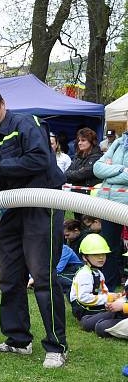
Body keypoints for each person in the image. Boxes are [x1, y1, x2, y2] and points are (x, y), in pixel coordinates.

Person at [0, 85, 68, 369]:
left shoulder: (27, 123)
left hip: (42, 204)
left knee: (42, 276)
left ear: (2, 104)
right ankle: (17, 340)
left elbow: (39, 159)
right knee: (9, 275)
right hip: (13, 209)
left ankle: (56, 346)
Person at [93, 123, 128, 290]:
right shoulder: (118, 142)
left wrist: (110, 171)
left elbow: (104, 171)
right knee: (108, 247)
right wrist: (121, 169)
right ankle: (109, 286)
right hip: (108, 204)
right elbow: (97, 168)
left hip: (124, 205)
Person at [65, 127, 102, 192]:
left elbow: (83, 174)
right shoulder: (77, 155)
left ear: (92, 141)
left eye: (83, 140)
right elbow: (67, 173)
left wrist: (74, 173)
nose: (79, 143)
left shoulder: (97, 157)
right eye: (79, 140)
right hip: (75, 193)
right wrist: (76, 173)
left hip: (88, 196)